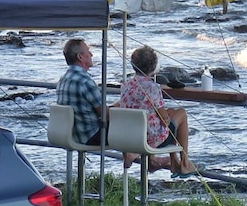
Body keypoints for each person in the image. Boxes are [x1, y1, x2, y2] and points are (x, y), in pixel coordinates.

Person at [57, 38, 168, 170]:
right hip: (90, 135)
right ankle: (139, 155)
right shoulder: (85, 82)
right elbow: (105, 116)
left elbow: (92, 110)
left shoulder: (64, 79)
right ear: (80, 57)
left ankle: (150, 159)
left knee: (130, 116)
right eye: (88, 51)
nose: (91, 55)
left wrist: (122, 104)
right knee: (134, 121)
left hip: (70, 133)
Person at [115, 45, 199, 177]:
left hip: (130, 136)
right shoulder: (153, 87)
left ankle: (171, 161)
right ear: (153, 67)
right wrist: (167, 118)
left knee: (171, 112)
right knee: (181, 113)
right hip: (150, 140)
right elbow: (163, 118)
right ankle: (184, 164)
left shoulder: (126, 86)